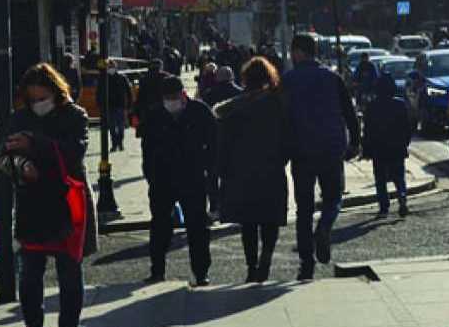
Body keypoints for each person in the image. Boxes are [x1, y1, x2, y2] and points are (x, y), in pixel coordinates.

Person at [0, 63, 96, 327]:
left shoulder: (75, 116)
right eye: (32, 99)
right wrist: (20, 165)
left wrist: (34, 144)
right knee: (29, 275)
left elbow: (73, 153)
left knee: (69, 272)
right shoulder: (19, 118)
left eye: (42, 98)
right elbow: (3, 156)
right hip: (32, 204)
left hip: (65, 203)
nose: (37, 104)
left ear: (55, 92)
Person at [282, 34, 360, 281]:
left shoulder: (288, 80)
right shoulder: (332, 78)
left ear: (298, 52)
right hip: (331, 148)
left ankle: (306, 263)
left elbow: (280, 118)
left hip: (301, 150)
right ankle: (325, 226)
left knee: (304, 208)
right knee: (333, 197)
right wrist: (355, 142)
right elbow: (350, 113)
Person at [214, 57, 289, 283]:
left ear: (245, 79)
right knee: (271, 219)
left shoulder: (233, 109)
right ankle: (266, 258)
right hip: (271, 169)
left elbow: (223, 145)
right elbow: (288, 138)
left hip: (242, 173)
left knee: (248, 223)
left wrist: (222, 172)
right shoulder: (278, 105)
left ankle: (251, 266)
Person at [142, 76, 216, 286]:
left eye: (174, 97)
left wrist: (209, 174)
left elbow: (213, 144)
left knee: (197, 228)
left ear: (183, 94)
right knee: (159, 226)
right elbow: (147, 149)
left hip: (191, 177)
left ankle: (201, 273)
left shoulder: (200, 111)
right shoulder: (155, 115)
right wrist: (150, 176)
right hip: (162, 178)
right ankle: (157, 270)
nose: (171, 102)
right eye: (167, 98)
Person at [363, 74, 412, 218]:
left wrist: (366, 148)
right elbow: (407, 127)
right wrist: (405, 142)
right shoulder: (400, 104)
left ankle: (384, 207)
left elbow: (367, 130)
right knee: (399, 176)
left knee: (380, 178)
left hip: (379, 147)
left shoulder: (372, 106)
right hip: (397, 146)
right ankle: (402, 196)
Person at [99, 62, 133, 152]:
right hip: (109, 105)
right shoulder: (104, 78)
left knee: (121, 126)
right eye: (109, 67)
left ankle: (120, 142)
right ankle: (114, 144)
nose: (110, 69)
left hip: (120, 105)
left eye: (112, 67)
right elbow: (99, 92)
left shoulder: (122, 78)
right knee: (112, 126)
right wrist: (100, 104)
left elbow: (129, 91)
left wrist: (129, 104)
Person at [134, 59, 167, 139]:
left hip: (147, 110)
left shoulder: (144, 78)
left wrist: (137, 111)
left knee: (148, 135)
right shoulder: (166, 77)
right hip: (162, 109)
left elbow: (140, 96)